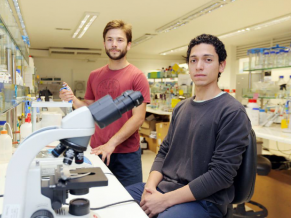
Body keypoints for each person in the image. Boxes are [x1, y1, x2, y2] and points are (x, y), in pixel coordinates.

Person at [126, 34, 252, 218]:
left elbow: (221, 175)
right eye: (193, 60)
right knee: (114, 202)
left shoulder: (232, 112)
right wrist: (150, 188)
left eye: (208, 60)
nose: (199, 66)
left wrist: (165, 200)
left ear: (221, 65)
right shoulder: (181, 107)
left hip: (205, 200)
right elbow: (164, 152)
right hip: (165, 188)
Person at [60, 20, 150, 187]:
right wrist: (72, 99)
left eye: (120, 40)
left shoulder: (137, 77)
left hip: (126, 155)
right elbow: (89, 112)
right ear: (104, 43)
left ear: (128, 45)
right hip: (98, 150)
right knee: (99, 200)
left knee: (128, 202)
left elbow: (138, 118)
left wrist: (111, 144)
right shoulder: (95, 75)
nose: (114, 44)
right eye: (110, 40)